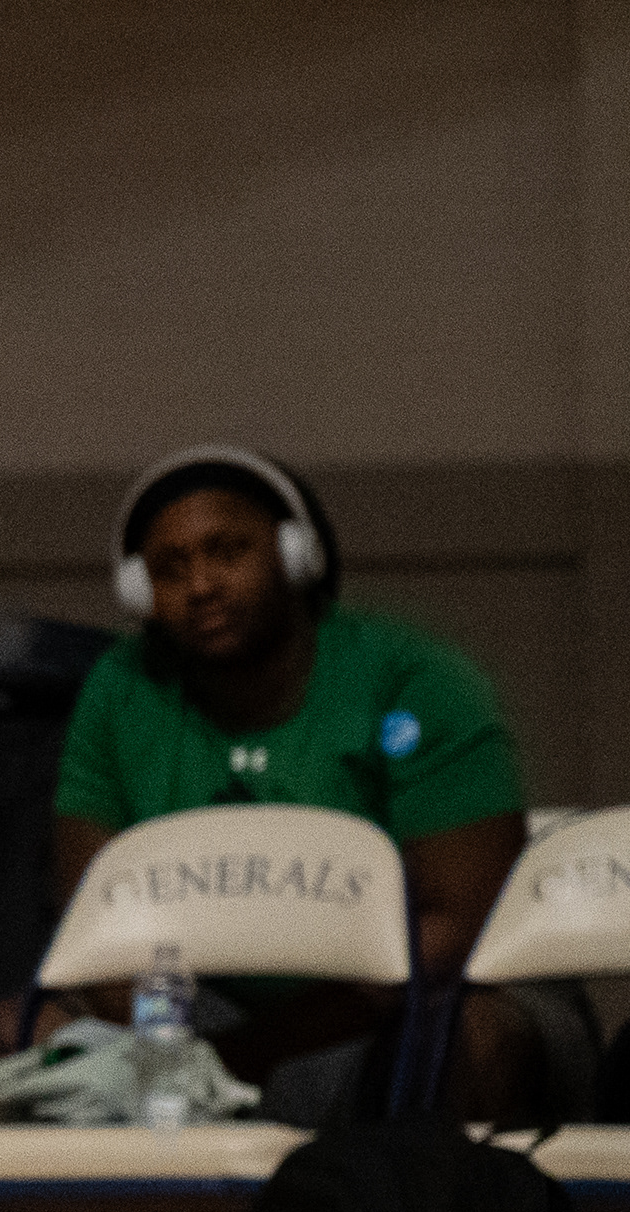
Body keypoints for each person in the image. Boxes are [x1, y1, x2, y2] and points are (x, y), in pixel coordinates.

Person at [54, 445, 585, 1124]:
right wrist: (177, 1059)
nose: (201, 584)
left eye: (227, 551)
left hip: (415, 1002)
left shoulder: (415, 678)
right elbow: (99, 927)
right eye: (170, 569)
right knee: (7, 1045)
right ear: (140, 593)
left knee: (472, 1038)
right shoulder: (121, 688)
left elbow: (462, 929)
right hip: (215, 1014)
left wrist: (250, 1054)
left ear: (295, 554)